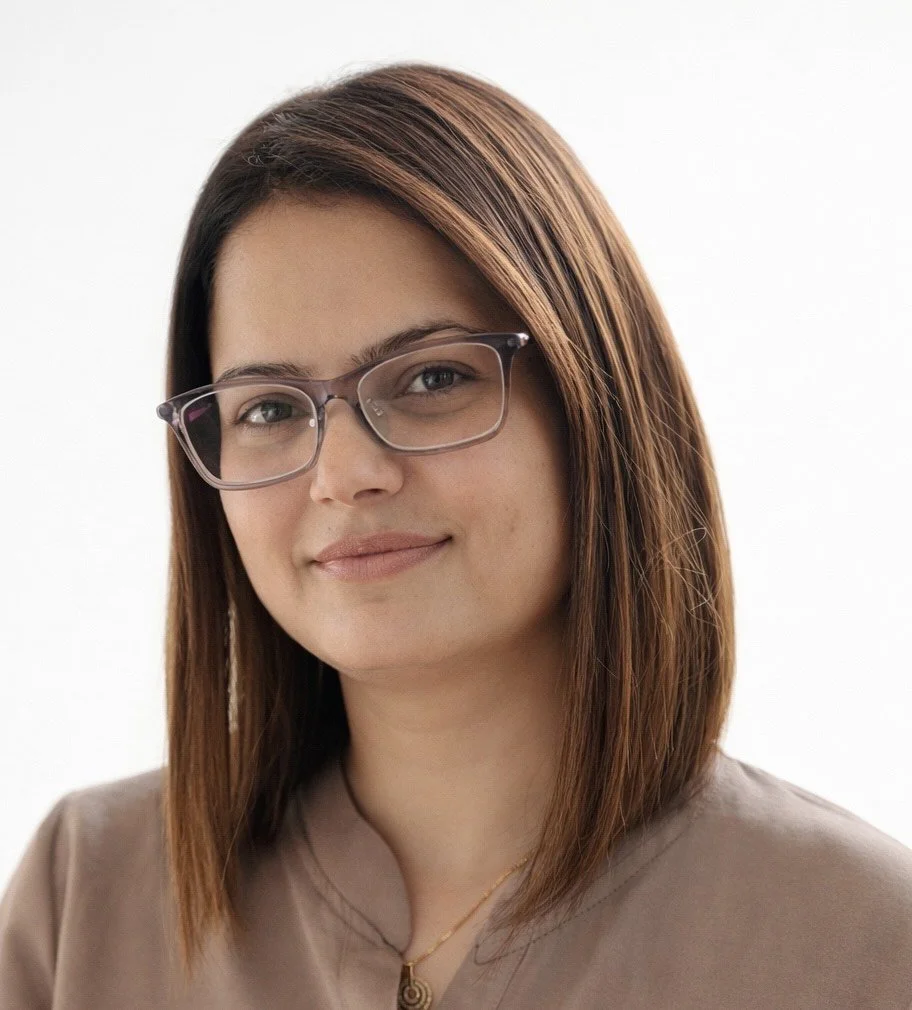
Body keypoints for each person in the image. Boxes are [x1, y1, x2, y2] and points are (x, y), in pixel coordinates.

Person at [1, 62, 910, 1010]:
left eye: (432, 379)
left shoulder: (859, 944)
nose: (344, 474)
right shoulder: (87, 902)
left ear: (593, 399)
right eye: (269, 408)